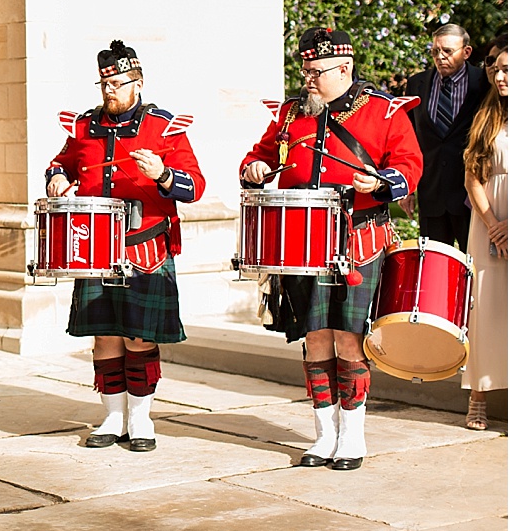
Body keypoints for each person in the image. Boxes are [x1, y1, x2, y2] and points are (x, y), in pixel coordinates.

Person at [241, 26, 422, 470]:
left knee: (349, 339)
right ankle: (323, 437)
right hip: (301, 245)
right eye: (305, 71)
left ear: (345, 69)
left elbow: (409, 167)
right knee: (315, 338)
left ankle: (353, 438)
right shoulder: (289, 115)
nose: (308, 80)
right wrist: (256, 168)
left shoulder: (383, 111)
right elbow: (255, 159)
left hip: (357, 239)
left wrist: (380, 183)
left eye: (316, 72)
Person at [46, 40, 205, 452]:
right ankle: (112, 417)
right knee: (105, 338)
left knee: (139, 337)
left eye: (116, 83)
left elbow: (195, 187)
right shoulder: (83, 126)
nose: (109, 91)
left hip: (146, 246)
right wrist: (57, 178)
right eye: (104, 85)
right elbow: (61, 162)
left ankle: (141, 419)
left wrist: (163, 174)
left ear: (138, 82)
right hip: (96, 247)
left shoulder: (164, 127)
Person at [405, 24, 490, 252]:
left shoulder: (483, 83)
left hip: (471, 196)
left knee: (472, 268)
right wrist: (406, 187)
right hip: (431, 193)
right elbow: (408, 140)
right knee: (435, 269)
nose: (440, 57)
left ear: (467, 52)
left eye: (448, 51)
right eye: (435, 51)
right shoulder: (417, 84)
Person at [461, 41, 507, 430]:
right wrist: (493, 222)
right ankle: (478, 396)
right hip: (488, 221)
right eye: (497, 68)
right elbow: (472, 174)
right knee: (485, 307)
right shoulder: (487, 116)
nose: (500, 75)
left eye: (508, 69)